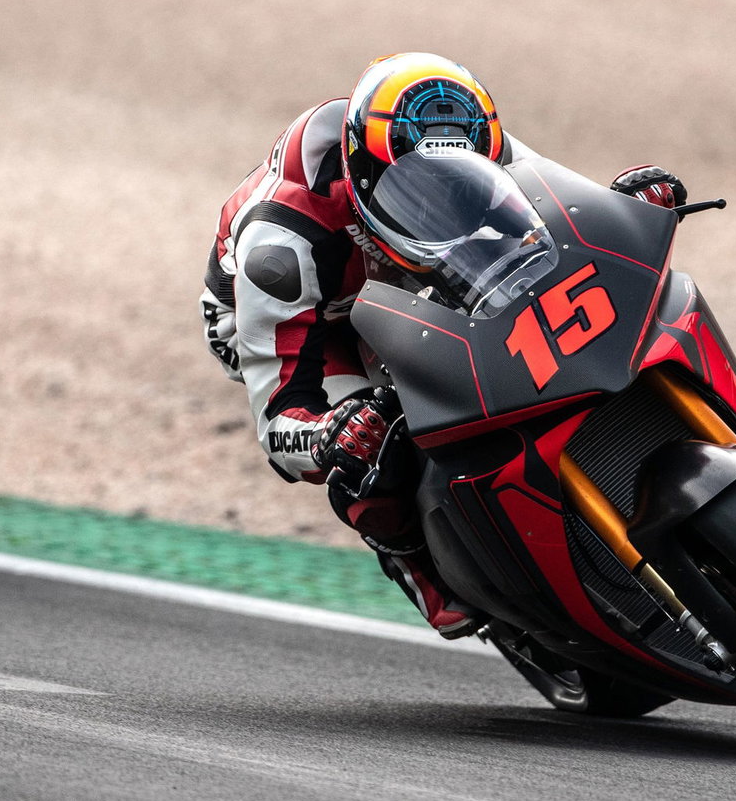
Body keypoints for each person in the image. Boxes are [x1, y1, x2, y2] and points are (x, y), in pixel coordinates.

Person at [199, 52, 686, 638]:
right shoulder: (280, 246)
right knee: (376, 438)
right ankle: (407, 552)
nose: (437, 199)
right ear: (364, 176)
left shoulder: (473, 140)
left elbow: (562, 209)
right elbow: (280, 424)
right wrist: (328, 433)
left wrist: (628, 207)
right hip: (304, 316)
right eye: (412, 189)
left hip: (406, 265)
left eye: (456, 182)